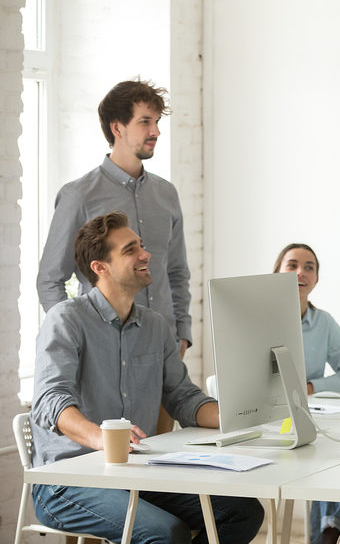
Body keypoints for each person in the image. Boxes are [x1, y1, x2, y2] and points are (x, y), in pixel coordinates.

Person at [30, 211, 263, 544]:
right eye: (131, 250)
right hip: (66, 481)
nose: (146, 254)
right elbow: (50, 401)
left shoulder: (155, 326)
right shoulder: (66, 319)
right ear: (100, 267)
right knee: (166, 533)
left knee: (243, 511)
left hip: (135, 471)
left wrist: (242, 416)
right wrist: (102, 438)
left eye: (141, 245)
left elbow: (183, 398)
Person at [36, 79, 192, 358]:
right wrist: (77, 337)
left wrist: (182, 335)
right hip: (104, 352)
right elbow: (50, 279)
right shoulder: (78, 196)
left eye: (157, 121)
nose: (156, 131)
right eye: (145, 122)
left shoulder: (167, 194)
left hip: (164, 349)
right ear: (117, 128)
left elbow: (177, 272)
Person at [273, 243, 340, 544]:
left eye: (309, 267)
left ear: (316, 279)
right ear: (277, 272)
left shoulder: (323, 322)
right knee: (323, 449)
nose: (301, 272)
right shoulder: (262, 318)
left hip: (307, 416)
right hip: (270, 418)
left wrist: (311, 386)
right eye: (292, 265)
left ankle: (328, 530)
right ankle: (328, 531)